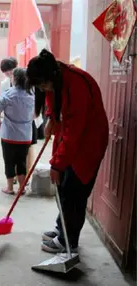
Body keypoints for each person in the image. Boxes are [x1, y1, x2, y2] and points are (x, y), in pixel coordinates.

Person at [26, 49, 109, 253]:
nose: (43, 89)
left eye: (43, 85)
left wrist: (57, 163)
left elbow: (75, 131)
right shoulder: (57, 80)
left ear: (51, 76)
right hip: (70, 138)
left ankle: (68, 241)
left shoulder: (77, 84)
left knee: (74, 192)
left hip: (88, 143)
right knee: (64, 187)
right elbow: (51, 101)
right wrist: (51, 119)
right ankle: (62, 227)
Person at [0, 68, 34, 195]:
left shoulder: (8, 94)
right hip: (25, 136)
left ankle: (10, 188)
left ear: (14, 79)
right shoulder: (31, 96)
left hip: (9, 135)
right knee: (22, 162)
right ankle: (21, 188)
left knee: (9, 161)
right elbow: (36, 114)